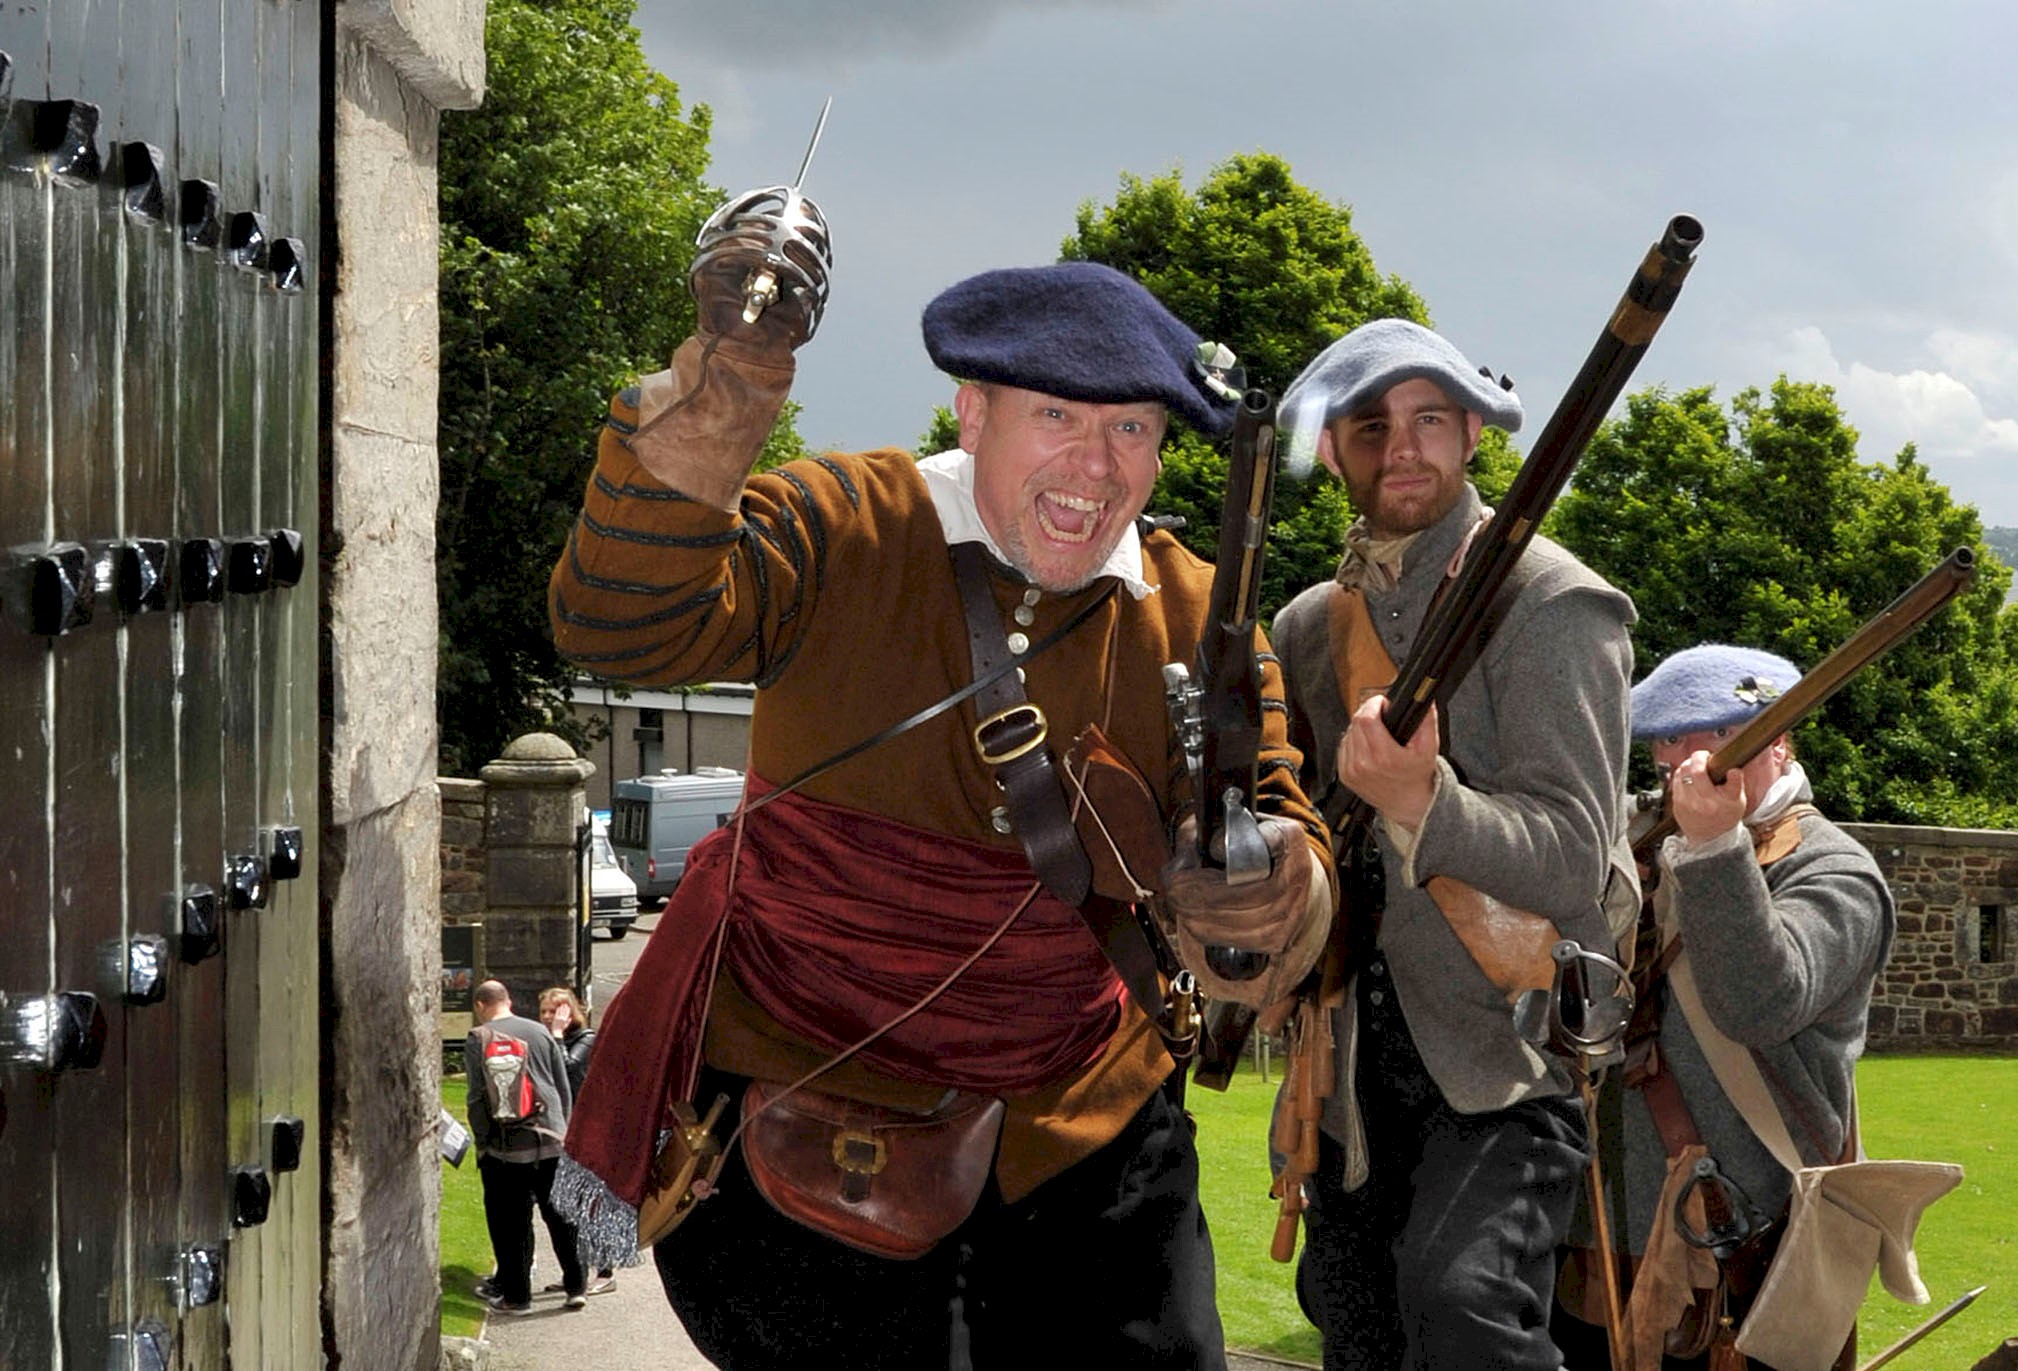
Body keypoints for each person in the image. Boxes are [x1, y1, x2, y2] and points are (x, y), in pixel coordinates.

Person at [545, 226, 1331, 1368]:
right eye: (1055, 417)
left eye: (1131, 429)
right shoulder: (840, 522)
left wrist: (1272, 890)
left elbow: (1277, 809)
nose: (1095, 464)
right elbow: (617, 622)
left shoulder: (1200, 614)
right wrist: (732, 380)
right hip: (810, 1090)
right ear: (972, 414)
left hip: (1084, 1123)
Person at [1268, 318, 1640, 1370]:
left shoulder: (1555, 604)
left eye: (1429, 417)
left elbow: (1572, 854)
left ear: (1473, 431)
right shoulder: (1306, 630)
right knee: (1355, 1321)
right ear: (1336, 449)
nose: (1402, 447)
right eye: (1370, 424)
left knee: (1462, 1304)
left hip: (1502, 1053)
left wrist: (1424, 799)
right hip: (1341, 1067)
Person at [1550, 644, 1896, 1371]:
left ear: (1773, 740)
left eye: (1703, 739)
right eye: (1666, 744)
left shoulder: (1834, 869)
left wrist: (1714, 847)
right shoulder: (1638, 840)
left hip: (1748, 1254)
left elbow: (1760, 1005)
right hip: (1600, 1237)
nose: (1679, 762)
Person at [466, 980, 588, 1313]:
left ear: (480, 1006)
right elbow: (561, 1084)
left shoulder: (480, 1038)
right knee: (562, 1217)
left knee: (512, 1224)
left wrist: (482, 1143)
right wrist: (563, 1130)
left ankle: (518, 1298)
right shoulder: (539, 1031)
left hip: (508, 1147)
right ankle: (576, 1287)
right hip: (552, 1140)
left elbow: (477, 1098)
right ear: (508, 1001)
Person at [537, 987, 617, 1298]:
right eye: (544, 1011)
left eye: (555, 1012)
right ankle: (575, 1272)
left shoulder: (586, 1038)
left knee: (591, 1201)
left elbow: (567, 1071)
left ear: (570, 1012)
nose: (548, 1018)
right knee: (567, 1205)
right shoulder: (547, 1039)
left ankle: (605, 1270)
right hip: (564, 1130)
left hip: (589, 1130)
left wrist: (556, 1034)